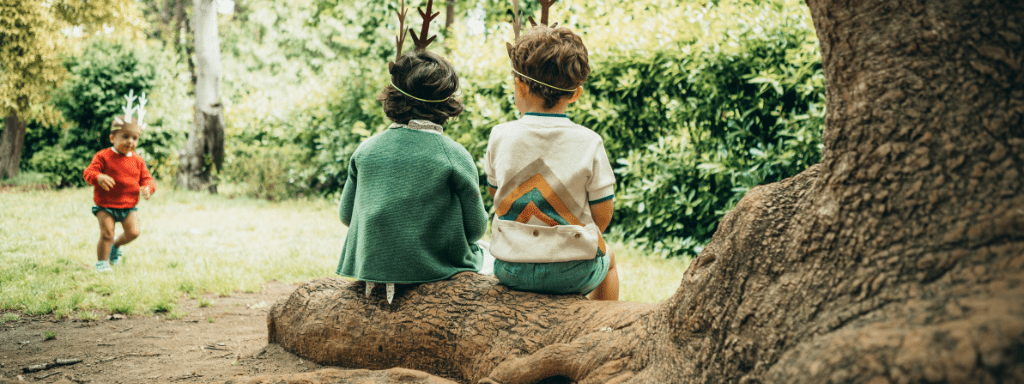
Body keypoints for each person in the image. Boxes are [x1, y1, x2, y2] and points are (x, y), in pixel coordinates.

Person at [336, 48, 490, 304]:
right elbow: (476, 229)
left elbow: (346, 216)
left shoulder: (365, 149)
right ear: (447, 104)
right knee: (491, 257)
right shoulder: (453, 154)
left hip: (371, 268)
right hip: (433, 270)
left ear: (393, 98)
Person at [485, 23, 619, 300]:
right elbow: (603, 216)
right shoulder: (589, 141)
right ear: (576, 93)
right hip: (571, 272)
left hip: (510, 267)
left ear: (519, 86)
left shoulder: (500, 135)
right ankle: (603, 326)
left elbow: (496, 195)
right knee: (611, 259)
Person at [83, 93, 155, 273]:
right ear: (112, 138)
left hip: (128, 206)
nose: (130, 141)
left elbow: (147, 178)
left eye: (134, 138)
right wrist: (98, 177)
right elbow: (89, 172)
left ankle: (116, 245)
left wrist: (148, 187)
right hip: (105, 205)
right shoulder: (103, 156)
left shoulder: (138, 160)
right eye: (125, 136)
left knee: (134, 232)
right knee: (107, 232)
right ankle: (102, 262)